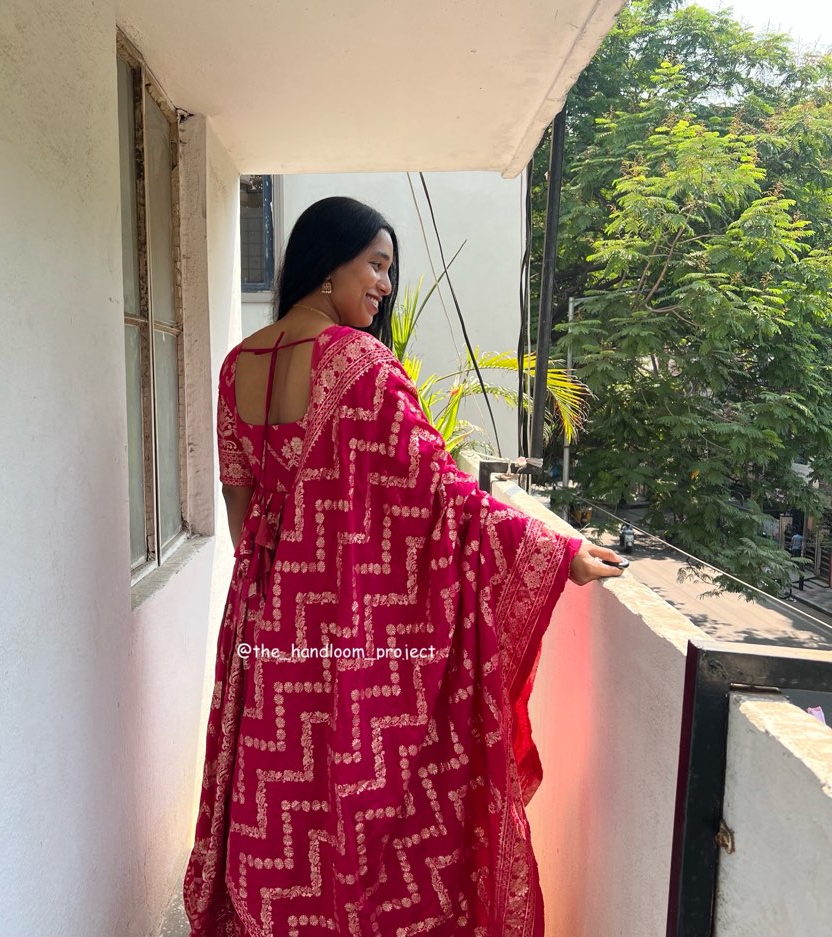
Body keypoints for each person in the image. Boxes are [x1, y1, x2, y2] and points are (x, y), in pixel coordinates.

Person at [183, 196, 623, 937]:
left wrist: (282, 580)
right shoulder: (360, 364)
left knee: (279, 794)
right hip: (345, 626)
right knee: (356, 798)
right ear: (328, 265)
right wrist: (557, 552)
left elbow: (239, 508)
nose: (386, 285)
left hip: (263, 623)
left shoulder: (237, 366)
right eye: (377, 265)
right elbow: (442, 496)